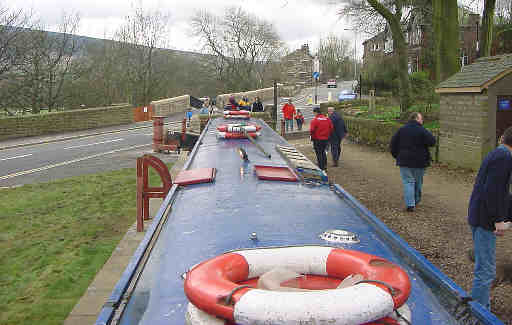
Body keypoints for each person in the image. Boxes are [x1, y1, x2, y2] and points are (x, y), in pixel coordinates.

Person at [467, 127, 512, 309]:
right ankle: (478, 312)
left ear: (503, 138)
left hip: (480, 215)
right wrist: (498, 219)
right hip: (484, 219)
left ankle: (480, 305)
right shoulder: (504, 158)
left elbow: (500, 191)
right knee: (485, 271)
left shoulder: (498, 154)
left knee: (484, 266)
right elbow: (492, 191)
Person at [389, 112, 436, 212]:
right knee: (418, 182)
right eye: (421, 118)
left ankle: (410, 204)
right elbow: (432, 142)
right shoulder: (423, 130)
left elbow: (393, 144)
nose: (422, 120)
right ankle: (416, 200)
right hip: (420, 161)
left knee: (408, 182)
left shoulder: (401, 130)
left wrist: (397, 156)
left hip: (404, 161)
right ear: (417, 119)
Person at [310, 106, 333, 171]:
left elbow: (312, 130)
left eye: (314, 113)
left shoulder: (315, 120)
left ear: (316, 113)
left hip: (317, 139)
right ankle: (325, 166)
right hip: (326, 139)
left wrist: (312, 137)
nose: (313, 114)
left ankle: (321, 167)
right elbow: (331, 128)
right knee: (323, 152)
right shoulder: (327, 119)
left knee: (319, 153)